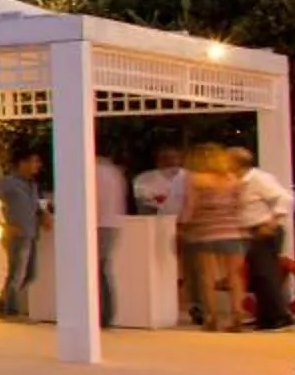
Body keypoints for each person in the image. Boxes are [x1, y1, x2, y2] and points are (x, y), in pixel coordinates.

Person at [178, 144, 249, 333]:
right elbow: (240, 205)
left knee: (207, 277)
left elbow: (190, 206)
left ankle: (211, 318)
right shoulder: (233, 179)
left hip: (204, 232)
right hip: (232, 231)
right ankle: (237, 316)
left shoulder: (195, 179)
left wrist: (182, 225)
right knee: (235, 277)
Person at [236, 148, 295, 331]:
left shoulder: (258, 178)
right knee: (258, 275)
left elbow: (285, 198)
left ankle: (280, 316)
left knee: (266, 273)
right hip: (251, 232)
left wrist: (273, 221)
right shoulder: (241, 181)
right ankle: (265, 316)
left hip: (265, 230)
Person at [134, 143, 191, 322]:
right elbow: (144, 199)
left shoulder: (189, 177)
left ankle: (185, 302)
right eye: (166, 159)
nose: (171, 162)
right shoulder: (145, 178)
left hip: (186, 226)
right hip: (156, 227)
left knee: (186, 265)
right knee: (162, 264)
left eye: (174, 158)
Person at [0, 148, 44, 319]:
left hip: (31, 233)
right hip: (17, 235)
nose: (37, 165)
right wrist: (3, 223)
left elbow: (34, 206)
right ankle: (11, 311)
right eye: (34, 161)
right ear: (22, 163)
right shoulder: (8, 183)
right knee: (17, 274)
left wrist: (42, 214)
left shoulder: (32, 184)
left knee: (30, 274)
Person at [94, 149, 129, 329]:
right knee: (102, 268)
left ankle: (102, 313)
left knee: (97, 270)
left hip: (98, 224)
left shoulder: (93, 171)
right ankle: (106, 313)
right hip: (112, 223)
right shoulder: (114, 172)